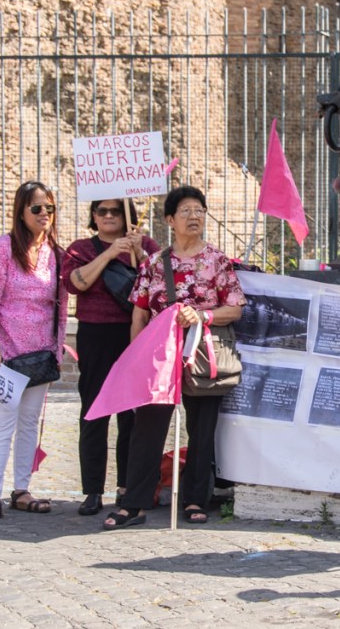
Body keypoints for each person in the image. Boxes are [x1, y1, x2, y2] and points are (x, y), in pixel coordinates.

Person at [103, 185, 245, 530]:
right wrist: (136, 359)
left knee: (202, 429)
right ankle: (135, 502)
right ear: (170, 220)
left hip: (203, 354)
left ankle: (196, 498)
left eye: (199, 210)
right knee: (147, 428)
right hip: (159, 356)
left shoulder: (217, 261)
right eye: (186, 211)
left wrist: (203, 316)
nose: (194, 216)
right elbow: (139, 314)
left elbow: (235, 309)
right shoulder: (154, 263)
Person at [0, 180, 69, 525]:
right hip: (6, 351)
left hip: (40, 354)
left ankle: (21, 489)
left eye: (49, 208)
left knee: (29, 423)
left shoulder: (57, 255)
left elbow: (61, 307)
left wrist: (57, 348)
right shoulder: (1, 248)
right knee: (2, 424)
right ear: (21, 212)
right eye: (36, 208)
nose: (44, 214)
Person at [61, 199, 160, 516]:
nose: (107, 216)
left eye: (115, 211)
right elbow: (75, 284)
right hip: (95, 334)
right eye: (101, 211)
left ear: (127, 215)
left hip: (135, 332)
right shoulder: (80, 248)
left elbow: (160, 283)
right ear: (94, 216)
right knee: (94, 411)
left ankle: (126, 486)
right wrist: (108, 253)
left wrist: (139, 254)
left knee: (132, 413)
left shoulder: (146, 245)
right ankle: (92, 490)